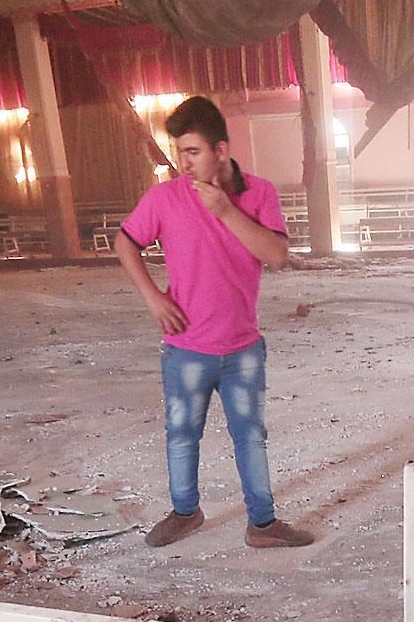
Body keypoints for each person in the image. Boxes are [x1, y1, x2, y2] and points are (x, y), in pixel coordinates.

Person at [114, 96, 315, 549]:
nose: (183, 163)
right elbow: (124, 243)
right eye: (180, 152)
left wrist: (225, 210)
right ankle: (186, 512)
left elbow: (277, 256)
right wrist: (153, 298)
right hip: (186, 347)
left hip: (242, 347)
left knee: (251, 437)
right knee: (182, 434)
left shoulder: (258, 193)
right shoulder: (164, 198)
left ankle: (262, 524)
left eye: (193, 152)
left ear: (220, 150)